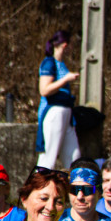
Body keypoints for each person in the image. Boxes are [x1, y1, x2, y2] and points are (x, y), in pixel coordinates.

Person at [36, 30, 81, 170]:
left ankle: (75, 187)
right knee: (48, 158)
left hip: (67, 114)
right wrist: (66, 79)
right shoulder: (49, 63)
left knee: (74, 158)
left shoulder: (62, 64)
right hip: (54, 111)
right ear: (65, 45)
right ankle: (38, 188)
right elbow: (44, 90)